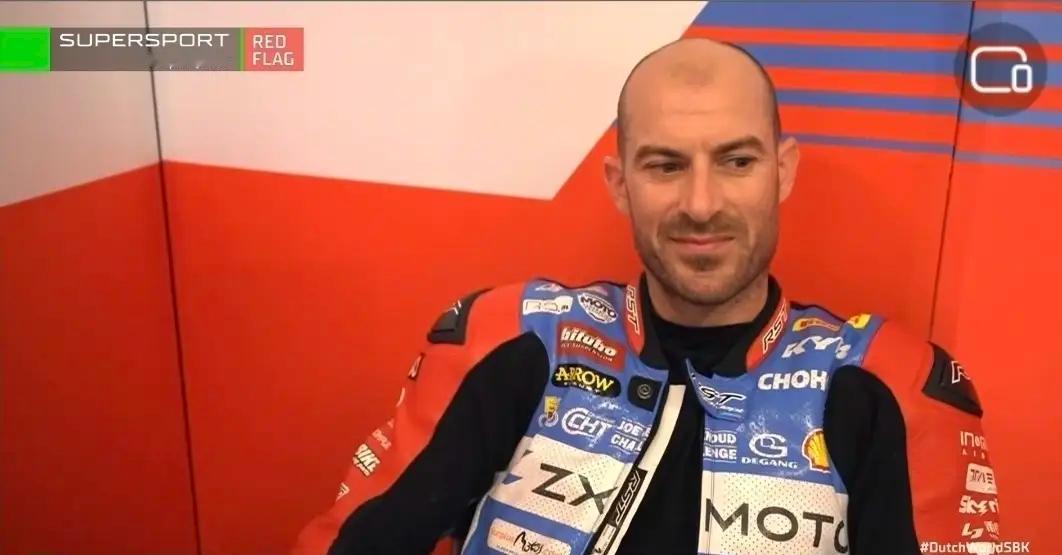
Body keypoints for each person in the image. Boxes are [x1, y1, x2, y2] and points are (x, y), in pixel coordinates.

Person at [292, 38, 1000, 555]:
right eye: (665, 165)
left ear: (783, 172)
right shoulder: (510, 337)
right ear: (619, 183)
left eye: (737, 161)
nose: (701, 203)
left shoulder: (888, 384)